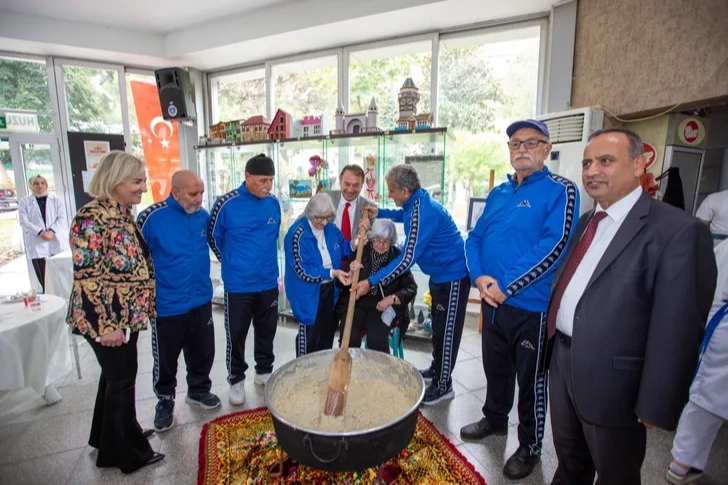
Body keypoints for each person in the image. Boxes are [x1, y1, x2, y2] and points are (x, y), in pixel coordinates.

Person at [547, 128, 716, 485]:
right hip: (563, 363)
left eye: (605, 161)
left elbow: (679, 326)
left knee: (616, 474)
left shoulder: (677, 230)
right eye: (587, 163)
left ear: (638, 165)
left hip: (616, 383)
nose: (592, 170)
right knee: (570, 461)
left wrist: (657, 401)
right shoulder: (588, 222)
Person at [461, 119, 579, 479]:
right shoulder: (499, 192)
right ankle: (495, 418)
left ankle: (529, 445)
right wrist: (479, 277)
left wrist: (507, 286)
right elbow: (474, 237)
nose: (522, 149)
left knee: (530, 382)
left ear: (547, 148)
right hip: (492, 302)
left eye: (531, 142)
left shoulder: (561, 190)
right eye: (515, 143)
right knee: (495, 367)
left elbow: (554, 246)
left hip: (531, 308)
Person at [66, 151, 164, 474]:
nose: (143, 187)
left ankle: (106, 439)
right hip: (105, 319)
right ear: (115, 180)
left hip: (125, 317)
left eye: (143, 180)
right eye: (137, 181)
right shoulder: (91, 218)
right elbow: (87, 276)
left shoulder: (121, 213)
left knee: (114, 379)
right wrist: (105, 325)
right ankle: (129, 453)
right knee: (121, 380)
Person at [355, 164, 470, 405]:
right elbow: (403, 214)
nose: (390, 195)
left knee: (447, 333)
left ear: (405, 191)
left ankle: (443, 386)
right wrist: (381, 212)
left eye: (392, 190)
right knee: (439, 329)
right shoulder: (414, 204)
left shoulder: (422, 211)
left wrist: (371, 280)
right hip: (440, 275)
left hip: (453, 277)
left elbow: (407, 259)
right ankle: (436, 370)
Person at [137, 170, 220, 433]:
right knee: (166, 357)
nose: (199, 198)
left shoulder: (203, 217)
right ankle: (165, 399)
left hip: (200, 298)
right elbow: (136, 260)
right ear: (175, 192)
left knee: (203, 350)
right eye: (193, 193)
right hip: (167, 303)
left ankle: (198, 389)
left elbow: (217, 246)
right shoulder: (151, 217)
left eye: (201, 193)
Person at [209, 154, 281, 406]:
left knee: (267, 331)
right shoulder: (226, 203)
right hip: (238, 284)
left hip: (268, 281)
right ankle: (236, 379)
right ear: (247, 177)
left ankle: (264, 372)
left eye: (271, 180)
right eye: (263, 180)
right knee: (237, 334)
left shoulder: (273, 203)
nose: (267, 186)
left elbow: (273, 236)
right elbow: (213, 237)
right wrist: (231, 261)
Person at [666, 238, 728, 484]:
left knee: (708, 396)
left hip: (718, 322)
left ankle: (682, 463)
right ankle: (681, 464)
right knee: (708, 396)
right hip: (721, 325)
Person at [284, 193, 354, 356]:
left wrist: (353, 244)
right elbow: (303, 271)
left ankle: (323, 368)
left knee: (326, 333)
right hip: (308, 292)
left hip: (329, 288)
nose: (324, 222)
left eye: (327, 217)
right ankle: (305, 370)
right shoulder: (297, 235)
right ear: (310, 213)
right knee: (310, 338)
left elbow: (340, 247)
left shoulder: (330, 228)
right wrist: (331, 272)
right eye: (319, 218)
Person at [342, 219, 417, 353]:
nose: (381, 245)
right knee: (349, 337)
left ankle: (379, 365)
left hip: (383, 305)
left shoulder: (397, 257)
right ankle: (352, 363)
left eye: (386, 241)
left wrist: (392, 298)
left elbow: (411, 288)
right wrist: (350, 271)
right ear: (372, 238)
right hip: (359, 302)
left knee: (376, 340)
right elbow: (343, 280)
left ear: (392, 241)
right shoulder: (362, 251)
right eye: (377, 240)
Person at [326, 164, 373, 348]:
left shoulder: (369, 209)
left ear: (362, 185)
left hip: (354, 275)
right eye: (347, 184)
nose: (351, 189)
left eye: (356, 185)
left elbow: (378, 243)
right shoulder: (326, 199)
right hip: (328, 272)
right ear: (340, 181)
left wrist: (369, 233)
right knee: (324, 326)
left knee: (349, 330)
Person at [18, 175, 68, 292]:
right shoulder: (25, 202)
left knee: (60, 278)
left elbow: (61, 218)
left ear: (46, 185)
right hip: (37, 244)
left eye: (42, 183)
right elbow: (24, 221)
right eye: (36, 183)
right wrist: (40, 232)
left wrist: (51, 231)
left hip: (55, 241)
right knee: (44, 278)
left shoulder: (56, 200)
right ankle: (49, 298)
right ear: (31, 186)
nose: (40, 186)